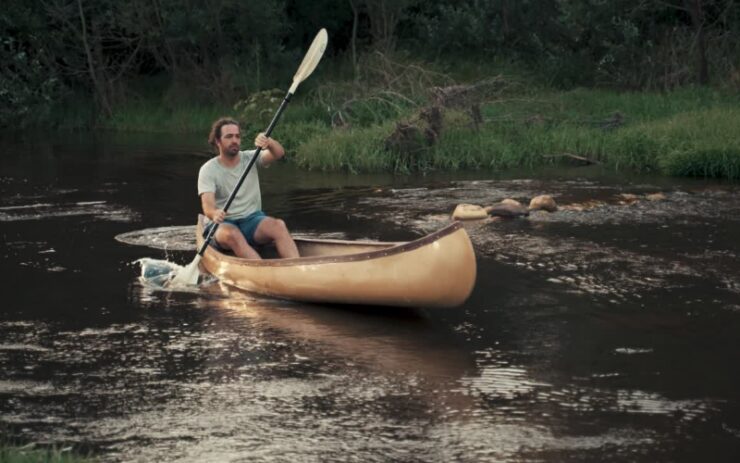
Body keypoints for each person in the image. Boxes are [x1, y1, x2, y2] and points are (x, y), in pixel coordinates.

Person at [197, 117, 300, 259]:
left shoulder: (250, 158)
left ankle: (296, 270)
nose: (234, 140)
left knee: (279, 226)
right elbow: (207, 207)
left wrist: (269, 142)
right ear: (217, 141)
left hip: (252, 220)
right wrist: (215, 214)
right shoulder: (208, 170)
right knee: (233, 234)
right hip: (223, 224)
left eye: (237, 136)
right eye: (229, 137)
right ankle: (262, 273)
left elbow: (278, 153)